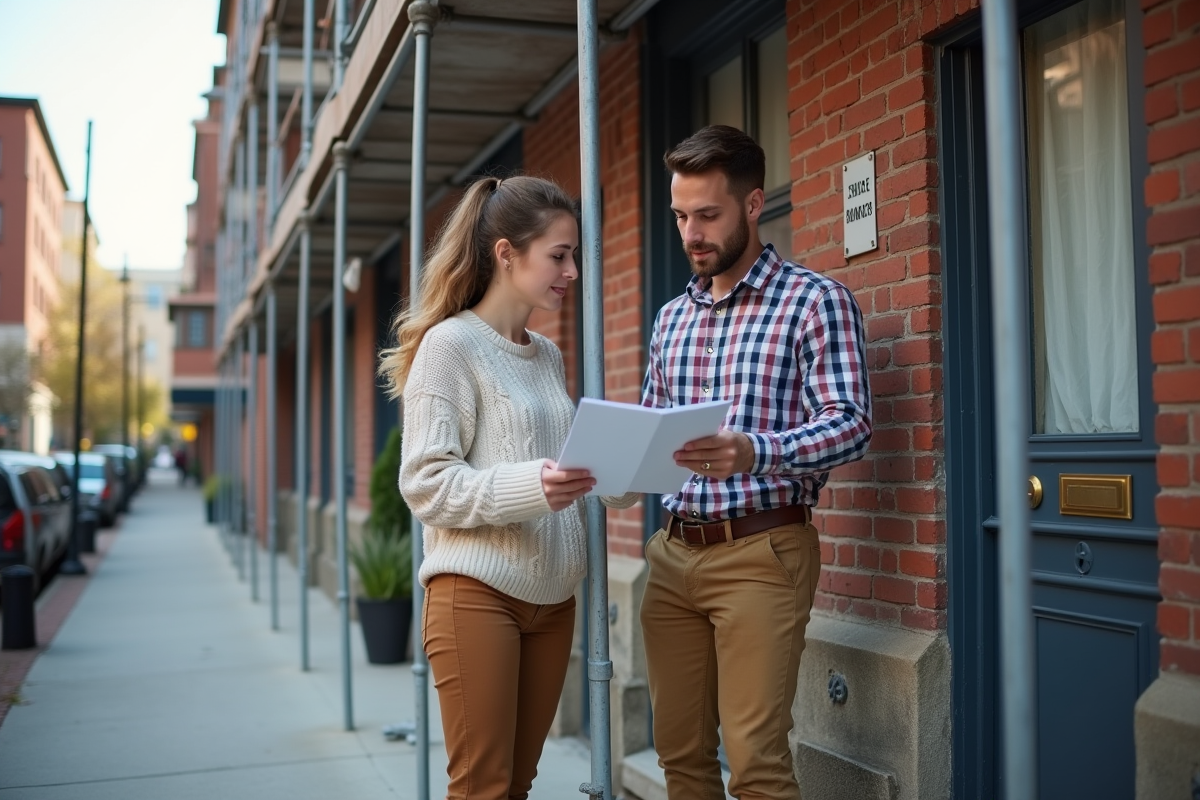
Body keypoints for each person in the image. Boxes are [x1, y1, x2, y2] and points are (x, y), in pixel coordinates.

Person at [640, 125, 872, 800]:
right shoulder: (670, 318)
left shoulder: (813, 301)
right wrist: (617, 469)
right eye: (681, 216)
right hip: (673, 552)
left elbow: (852, 424)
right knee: (679, 754)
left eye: (707, 215)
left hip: (763, 551)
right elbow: (657, 431)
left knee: (756, 764)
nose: (691, 233)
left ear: (752, 204)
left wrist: (755, 450)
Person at [380, 175, 630, 800]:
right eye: (559, 255)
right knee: (482, 787)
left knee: (516, 785)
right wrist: (534, 487)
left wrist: (631, 469)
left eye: (574, 256)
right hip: (476, 595)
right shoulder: (449, 346)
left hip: (553, 601)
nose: (572, 271)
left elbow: (571, 468)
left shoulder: (545, 354)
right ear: (506, 254)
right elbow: (425, 483)